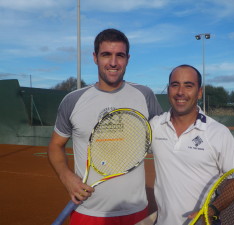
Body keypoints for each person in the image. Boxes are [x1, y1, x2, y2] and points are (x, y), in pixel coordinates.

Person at [48, 28, 163, 225]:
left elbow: (167, 137)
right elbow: (55, 146)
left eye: (120, 55)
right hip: (87, 212)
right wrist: (66, 177)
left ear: (127, 58)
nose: (113, 62)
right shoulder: (73, 101)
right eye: (106, 55)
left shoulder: (144, 95)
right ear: (95, 57)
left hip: (136, 211)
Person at [150, 64, 234, 225]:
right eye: (175, 85)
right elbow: (128, 155)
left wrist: (213, 209)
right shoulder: (155, 126)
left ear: (199, 92)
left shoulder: (218, 132)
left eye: (188, 85)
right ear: (168, 90)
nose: (180, 92)